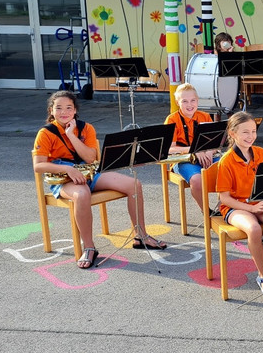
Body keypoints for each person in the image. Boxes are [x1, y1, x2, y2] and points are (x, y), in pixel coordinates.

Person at [32, 90, 165, 270]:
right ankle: (89, 247)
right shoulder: (45, 133)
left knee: (134, 184)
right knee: (82, 193)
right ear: (51, 111)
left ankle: (140, 236)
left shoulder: (86, 128)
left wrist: (71, 135)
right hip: (63, 177)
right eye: (59, 108)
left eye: (69, 107)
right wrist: (66, 168)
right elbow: (38, 166)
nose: (64, 112)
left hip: (88, 171)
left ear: (75, 110)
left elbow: (90, 158)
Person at [216, 112, 263, 301]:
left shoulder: (261, 153)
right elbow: (224, 198)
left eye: (254, 131)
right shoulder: (226, 161)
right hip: (235, 207)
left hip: (259, 202)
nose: (251, 136)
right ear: (232, 133)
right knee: (254, 228)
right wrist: (252, 209)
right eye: (245, 132)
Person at [164, 83, 217, 209]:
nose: (190, 105)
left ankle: (221, 208)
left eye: (193, 100)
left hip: (207, 156)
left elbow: (215, 143)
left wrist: (210, 151)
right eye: (185, 101)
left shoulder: (205, 116)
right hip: (183, 161)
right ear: (177, 103)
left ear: (197, 101)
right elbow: (169, 149)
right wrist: (194, 151)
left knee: (231, 169)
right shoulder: (171, 120)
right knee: (197, 180)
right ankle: (207, 213)